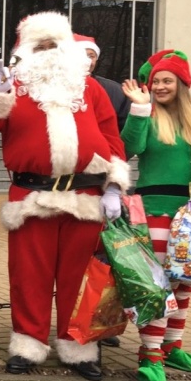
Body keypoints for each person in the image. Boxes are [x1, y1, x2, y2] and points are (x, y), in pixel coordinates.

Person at [0, 11, 130, 381]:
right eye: (39, 46)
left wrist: (114, 186)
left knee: (79, 278)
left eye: (54, 45)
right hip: (32, 197)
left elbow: (112, 140)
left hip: (85, 197)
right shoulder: (13, 87)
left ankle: (79, 347)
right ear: (25, 50)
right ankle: (28, 343)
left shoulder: (91, 89)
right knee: (29, 276)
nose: (48, 53)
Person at [120, 51, 191, 381]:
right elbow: (127, 149)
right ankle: (150, 353)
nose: (161, 86)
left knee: (183, 283)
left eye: (167, 80)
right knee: (157, 285)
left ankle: (172, 345)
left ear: (182, 84)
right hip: (153, 210)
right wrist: (138, 110)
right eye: (156, 82)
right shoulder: (147, 116)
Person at [75, 34, 126, 349]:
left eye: (92, 55)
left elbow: (118, 141)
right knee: (73, 265)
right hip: (69, 189)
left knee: (102, 263)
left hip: (101, 187)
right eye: (83, 54)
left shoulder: (112, 91)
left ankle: (98, 323)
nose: (88, 60)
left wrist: (114, 186)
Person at [75, 34, 132, 135]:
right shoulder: (50, 91)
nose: (87, 61)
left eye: (91, 56)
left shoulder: (115, 91)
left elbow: (124, 134)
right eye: (80, 55)